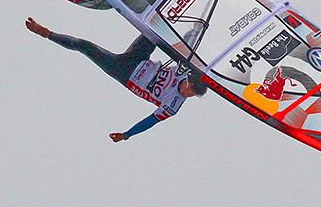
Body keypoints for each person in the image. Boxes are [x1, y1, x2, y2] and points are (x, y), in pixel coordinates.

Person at [25, 18, 208, 142]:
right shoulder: (184, 72)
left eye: (188, 92)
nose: (184, 89)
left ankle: (46, 33)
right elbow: (187, 47)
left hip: (124, 72)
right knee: (155, 27)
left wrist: (127, 134)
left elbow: (151, 121)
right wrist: (197, 28)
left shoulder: (173, 105)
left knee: (83, 46)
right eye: (187, 84)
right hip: (139, 58)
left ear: (191, 96)